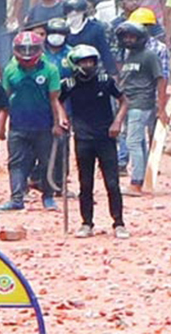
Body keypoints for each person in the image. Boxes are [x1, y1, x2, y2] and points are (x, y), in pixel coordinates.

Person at [61, 45, 129, 239]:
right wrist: (62, 117)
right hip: (83, 138)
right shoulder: (70, 84)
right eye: (84, 62)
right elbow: (56, 100)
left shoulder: (105, 81)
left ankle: (118, 223)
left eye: (91, 61)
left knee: (112, 183)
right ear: (76, 63)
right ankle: (86, 223)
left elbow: (124, 101)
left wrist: (117, 121)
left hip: (106, 137)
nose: (88, 65)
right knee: (85, 184)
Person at [0, 31, 66, 211]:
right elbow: (4, 102)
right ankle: (16, 199)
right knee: (16, 162)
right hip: (17, 125)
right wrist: (0, 130)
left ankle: (48, 197)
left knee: (46, 162)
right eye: (23, 51)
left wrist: (57, 123)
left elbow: (54, 100)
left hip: (43, 125)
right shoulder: (10, 70)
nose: (27, 56)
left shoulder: (50, 69)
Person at [116, 21, 167, 197]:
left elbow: (160, 79)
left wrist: (161, 107)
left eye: (132, 37)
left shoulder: (149, 56)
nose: (129, 40)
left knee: (133, 142)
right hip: (129, 103)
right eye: (126, 37)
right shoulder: (128, 55)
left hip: (141, 103)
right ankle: (144, 179)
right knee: (140, 143)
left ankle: (136, 183)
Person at [64, 0, 117, 76]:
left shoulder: (96, 28)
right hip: (70, 72)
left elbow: (105, 51)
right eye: (70, 11)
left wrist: (112, 72)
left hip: (94, 70)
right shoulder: (63, 29)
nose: (74, 13)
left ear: (84, 11)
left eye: (78, 11)